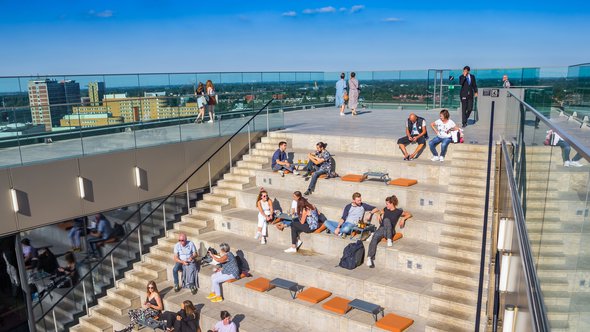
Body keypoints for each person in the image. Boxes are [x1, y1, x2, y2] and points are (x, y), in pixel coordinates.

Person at [366, 195, 412, 268]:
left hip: (390, 231)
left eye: (387, 203)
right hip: (381, 229)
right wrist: (378, 215)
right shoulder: (385, 209)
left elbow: (409, 214)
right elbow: (380, 212)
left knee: (386, 220)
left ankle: (389, 239)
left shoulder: (398, 211)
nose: (386, 205)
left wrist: (403, 219)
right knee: (374, 238)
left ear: (391, 204)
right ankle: (369, 258)